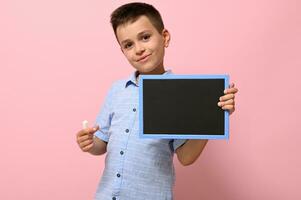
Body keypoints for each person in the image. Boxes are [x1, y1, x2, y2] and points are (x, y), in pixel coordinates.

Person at [76, 2, 238, 200]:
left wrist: (213, 116)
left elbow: (186, 157)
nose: (139, 49)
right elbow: (101, 143)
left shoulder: (180, 95)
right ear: (122, 51)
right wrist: (89, 143)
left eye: (145, 37)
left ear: (165, 37)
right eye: (128, 45)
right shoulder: (117, 90)